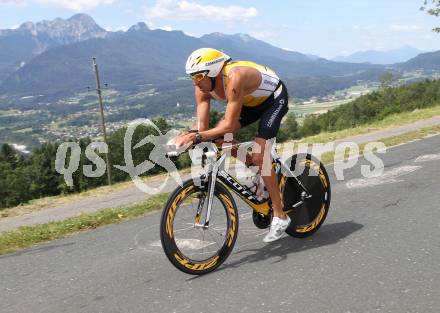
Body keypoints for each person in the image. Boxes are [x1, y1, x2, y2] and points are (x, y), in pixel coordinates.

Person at [171, 47, 290, 242]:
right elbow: (203, 128)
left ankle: (280, 215)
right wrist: (192, 137)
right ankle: (258, 171)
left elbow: (227, 124)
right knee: (217, 139)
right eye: (192, 78)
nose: (196, 82)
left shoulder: (234, 77)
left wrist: (196, 137)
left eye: (199, 77)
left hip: (273, 100)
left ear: (214, 71)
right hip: (249, 103)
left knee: (260, 154)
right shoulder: (202, 86)